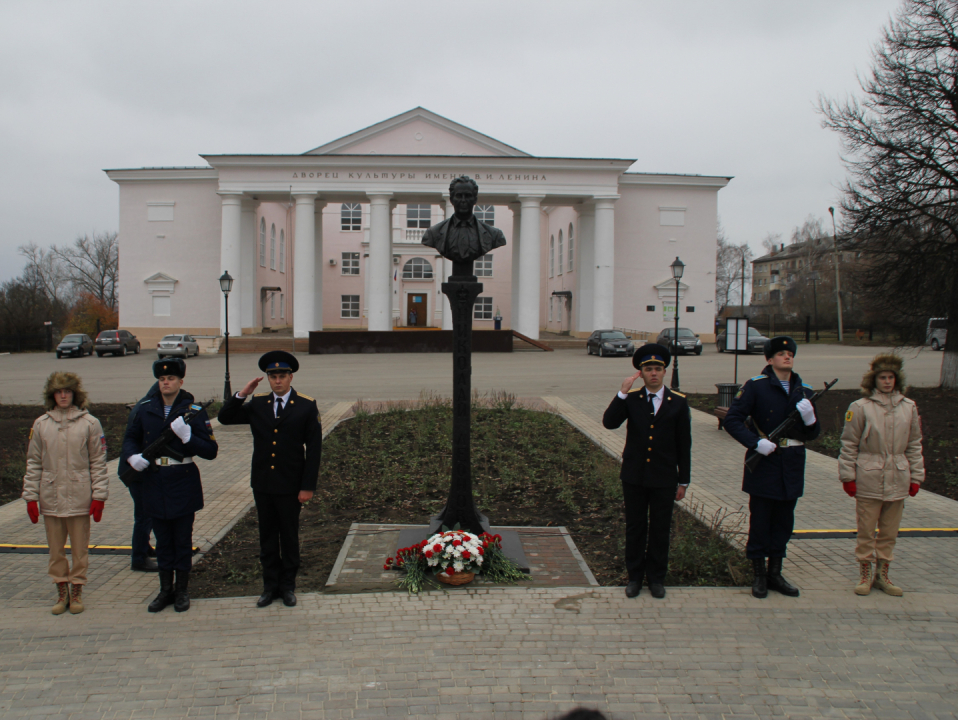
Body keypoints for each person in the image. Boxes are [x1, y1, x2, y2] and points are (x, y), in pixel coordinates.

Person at [218, 350, 323, 608]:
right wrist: (242, 393)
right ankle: (269, 587)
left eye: (282, 376)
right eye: (273, 376)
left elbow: (315, 449)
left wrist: (307, 486)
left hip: (290, 485)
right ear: (267, 378)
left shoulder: (306, 406)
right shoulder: (258, 404)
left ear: (291, 377)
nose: (278, 381)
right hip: (263, 484)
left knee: (288, 537)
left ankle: (288, 587)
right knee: (267, 538)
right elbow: (225, 418)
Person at [724, 336, 820, 599]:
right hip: (765, 461)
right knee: (761, 520)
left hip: (791, 462)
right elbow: (733, 419)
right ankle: (758, 574)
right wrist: (755, 443)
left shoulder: (804, 390)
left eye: (790, 353)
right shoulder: (756, 387)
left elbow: (813, 434)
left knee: (784, 522)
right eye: (780, 354)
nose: (787, 357)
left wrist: (810, 420)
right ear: (769, 359)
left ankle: (775, 573)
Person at [121, 359, 217, 613]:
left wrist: (188, 437)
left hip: (182, 478)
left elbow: (210, 450)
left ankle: (182, 591)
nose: (166, 382)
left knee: (182, 540)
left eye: (171, 378)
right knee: (163, 541)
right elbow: (130, 437)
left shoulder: (192, 410)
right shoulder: (144, 408)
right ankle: (165, 590)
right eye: (162, 379)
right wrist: (133, 457)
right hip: (154, 479)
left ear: (180, 382)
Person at [602, 343, 691, 599]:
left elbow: (684, 444)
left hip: (664, 477)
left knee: (661, 529)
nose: (653, 373)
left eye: (658, 369)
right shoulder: (632, 399)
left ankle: (656, 578)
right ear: (641, 373)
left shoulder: (678, 403)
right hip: (635, 476)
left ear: (665, 372)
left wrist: (683, 480)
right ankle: (634, 577)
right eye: (648, 369)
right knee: (636, 527)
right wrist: (621, 393)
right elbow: (609, 423)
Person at [22, 372, 109, 615]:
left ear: (75, 394)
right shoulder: (41, 424)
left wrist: (99, 495)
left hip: (80, 496)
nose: (63, 395)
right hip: (51, 497)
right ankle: (62, 590)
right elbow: (34, 462)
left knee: (80, 549)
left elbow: (98, 462)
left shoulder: (90, 424)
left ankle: (78, 588)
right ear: (52, 395)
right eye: (59, 392)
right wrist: (30, 497)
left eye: (67, 391)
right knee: (55, 550)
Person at [838, 353, 925, 596]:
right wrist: (848, 476)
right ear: (873, 381)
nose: (887, 382)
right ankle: (865, 574)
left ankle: (883, 575)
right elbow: (849, 444)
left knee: (889, 531)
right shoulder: (860, 407)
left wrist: (916, 477)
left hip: (898, 475)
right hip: (869, 475)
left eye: (891, 377)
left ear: (897, 380)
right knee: (866, 530)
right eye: (882, 377)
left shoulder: (908, 407)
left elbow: (915, 444)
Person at [421, 176, 507, 265]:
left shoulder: (495, 235)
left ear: (475, 199)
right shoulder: (433, 233)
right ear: (451, 199)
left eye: (468, 196)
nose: (463, 200)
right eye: (459, 196)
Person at [120, 381, 159, 572]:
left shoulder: (145, 405)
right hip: (135, 471)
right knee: (145, 515)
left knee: (146, 513)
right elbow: (133, 439)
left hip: (137, 469)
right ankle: (139, 558)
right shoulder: (146, 409)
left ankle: (146, 548)